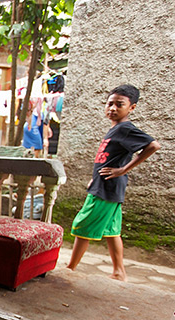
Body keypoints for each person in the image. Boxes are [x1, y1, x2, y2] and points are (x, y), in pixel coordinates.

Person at [67, 84, 160, 280]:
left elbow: (153, 145)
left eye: (120, 104)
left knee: (82, 226)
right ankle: (119, 272)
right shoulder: (116, 129)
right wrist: (95, 178)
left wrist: (124, 170)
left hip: (106, 188)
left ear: (131, 108)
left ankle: (70, 268)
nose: (113, 108)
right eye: (110, 103)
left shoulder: (125, 128)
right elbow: (108, 158)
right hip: (105, 185)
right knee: (111, 231)